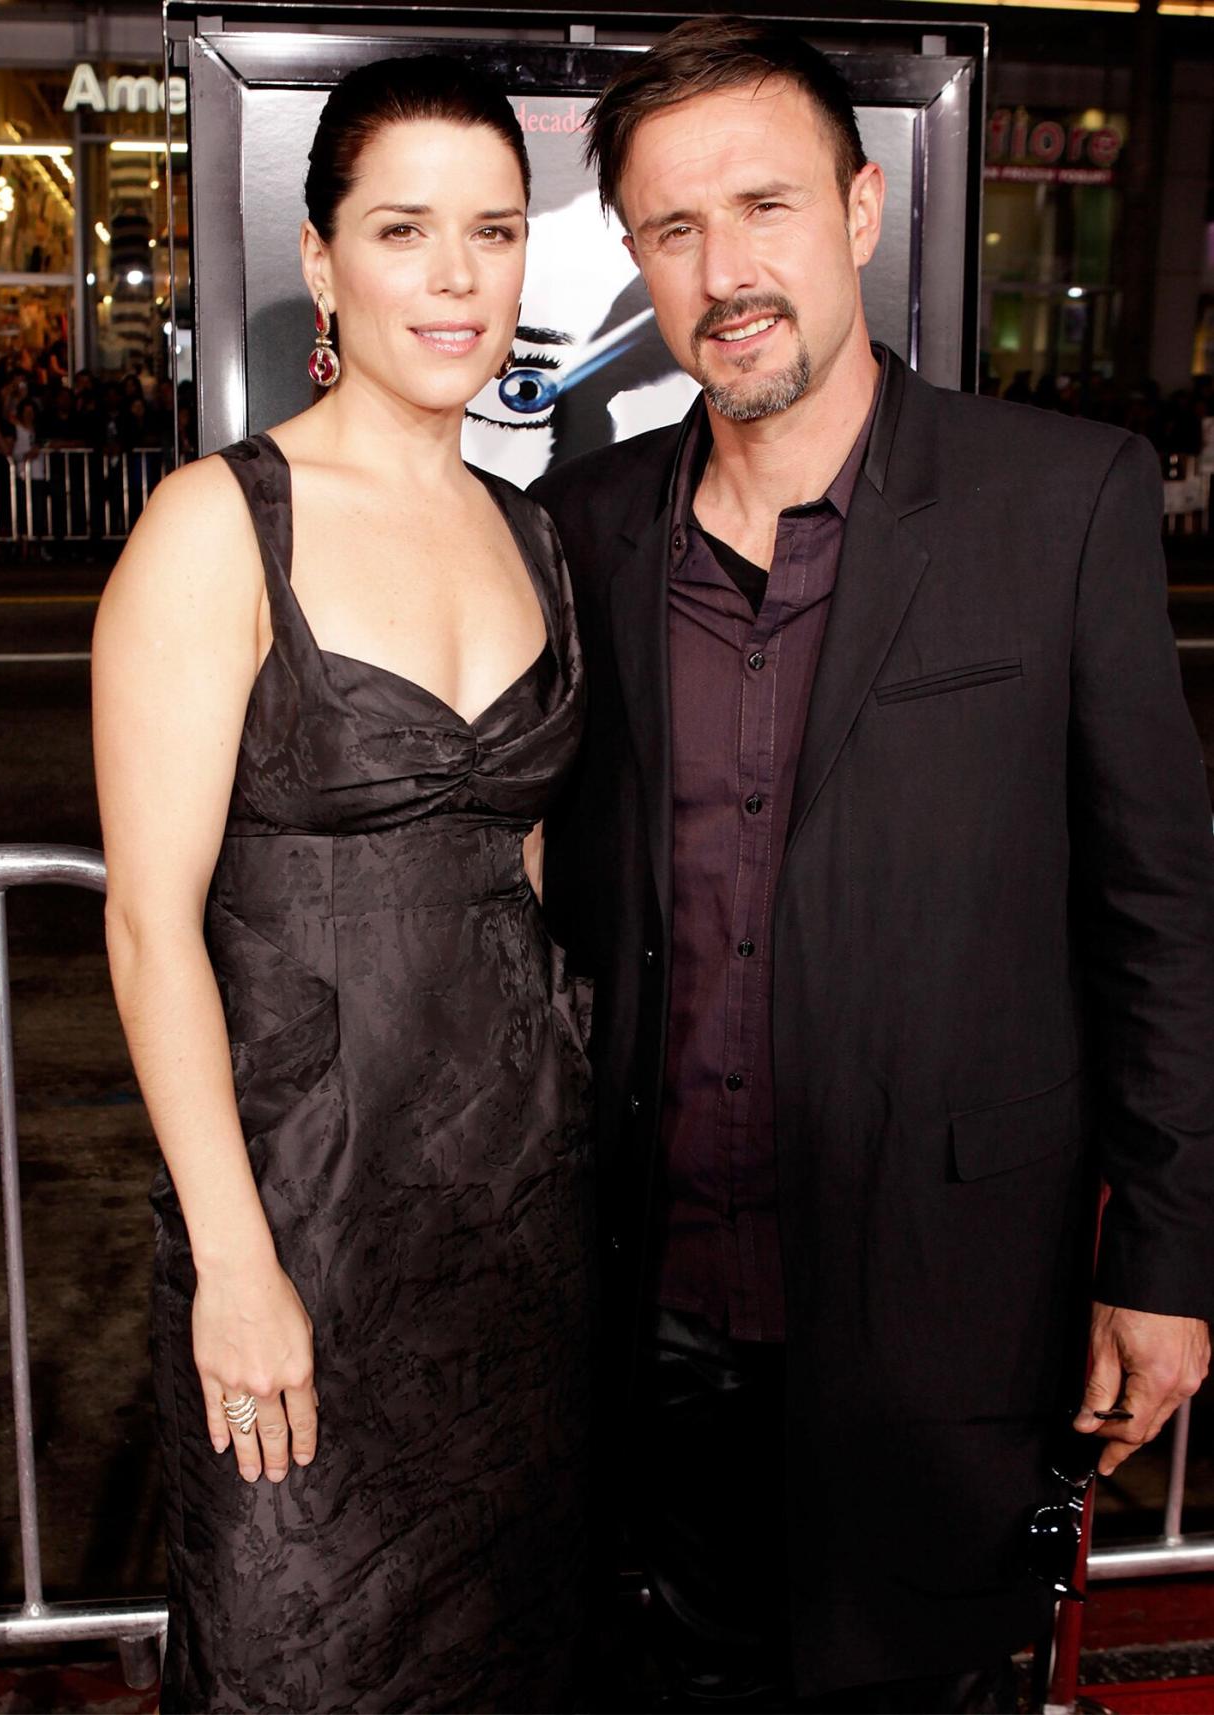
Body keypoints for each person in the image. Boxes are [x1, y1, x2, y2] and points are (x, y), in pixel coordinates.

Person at [532, 17, 1214, 1713]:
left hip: (948, 1293)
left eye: (762, 205)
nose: (723, 269)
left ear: (859, 206)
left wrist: (1167, 1265)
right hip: (652, 1294)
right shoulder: (590, 522)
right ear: (632, 256)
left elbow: (1157, 908)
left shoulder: (1054, 499)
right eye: (672, 229)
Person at [93, 53, 593, 1714]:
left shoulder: (532, 538)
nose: (455, 277)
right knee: (295, 1651)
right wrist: (234, 1260)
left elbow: (514, 880)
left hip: (518, 1222)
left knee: (510, 1653)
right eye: (402, 230)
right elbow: (148, 926)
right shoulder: (214, 528)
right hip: (301, 1217)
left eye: (494, 232)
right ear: (320, 259)